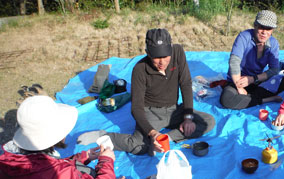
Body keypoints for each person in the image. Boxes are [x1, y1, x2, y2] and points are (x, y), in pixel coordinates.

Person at [77, 28, 215, 155]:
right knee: (139, 146)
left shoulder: (178, 52)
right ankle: (105, 136)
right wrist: (153, 133)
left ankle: (167, 138)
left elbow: (185, 84)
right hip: (151, 113)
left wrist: (188, 117)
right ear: (148, 53)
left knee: (208, 122)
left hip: (174, 110)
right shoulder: (140, 69)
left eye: (165, 57)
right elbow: (136, 108)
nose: (162, 62)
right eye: (156, 58)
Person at [0, 95, 124, 179]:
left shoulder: (9, 158)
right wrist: (106, 162)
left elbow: (50, 164)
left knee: (84, 174)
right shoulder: (50, 176)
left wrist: (84, 157)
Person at [219, 10, 284, 110]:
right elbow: (234, 61)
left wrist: (253, 79)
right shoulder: (244, 37)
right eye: (261, 27)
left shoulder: (273, 43)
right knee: (226, 100)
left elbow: (274, 69)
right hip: (238, 81)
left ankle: (246, 98)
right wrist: (239, 86)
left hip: (256, 80)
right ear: (255, 25)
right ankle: (265, 99)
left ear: (272, 30)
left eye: (268, 29)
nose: (264, 32)